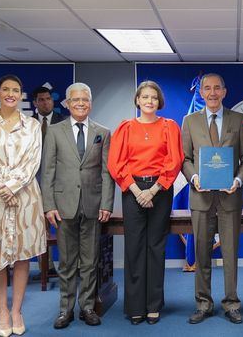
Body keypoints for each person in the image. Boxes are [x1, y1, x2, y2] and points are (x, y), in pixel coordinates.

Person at [0, 74, 46, 337]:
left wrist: (13, 187)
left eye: (15, 90)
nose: (11, 94)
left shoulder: (32, 126)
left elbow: (32, 161)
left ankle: (17, 310)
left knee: (22, 254)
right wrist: (3, 189)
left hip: (25, 197)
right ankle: (2, 311)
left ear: (21, 95)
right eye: (6, 89)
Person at [108, 81, 184, 325]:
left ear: (159, 102)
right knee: (134, 248)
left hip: (160, 190)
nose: (149, 101)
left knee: (155, 247)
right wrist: (136, 190)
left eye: (153, 97)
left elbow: (174, 160)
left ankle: (153, 305)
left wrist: (152, 190)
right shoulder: (125, 128)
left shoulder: (169, 127)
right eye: (145, 97)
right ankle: (135, 307)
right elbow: (116, 163)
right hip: (132, 190)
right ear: (137, 101)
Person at [42, 82, 115, 329]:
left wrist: (107, 203)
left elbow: (107, 171)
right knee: (66, 262)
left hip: (93, 205)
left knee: (90, 260)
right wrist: (48, 205)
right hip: (63, 206)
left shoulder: (102, 132)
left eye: (85, 99)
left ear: (90, 103)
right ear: (68, 103)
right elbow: (48, 170)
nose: (81, 103)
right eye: (76, 100)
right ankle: (65, 310)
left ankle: (87, 307)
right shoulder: (54, 131)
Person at [181, 73, 243, 324]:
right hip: (200, 198)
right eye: (207, 88)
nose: (212, 93)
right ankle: (203, 303)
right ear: (201, 93)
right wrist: (194, 177)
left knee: (230, 253)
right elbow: (185, 160)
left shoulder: (238, 120)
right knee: (202, 254)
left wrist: (238, 181)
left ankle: (231, 303)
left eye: (217, 88)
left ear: (224, 91)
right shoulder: (189, 121)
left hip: (230, 199)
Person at [32, 85, 66, 279]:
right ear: (35, 103)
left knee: (63, 227)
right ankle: (46, 267)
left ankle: (68, 265)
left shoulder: (64, 122)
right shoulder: (28, 125)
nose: (46, 102)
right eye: (41, 100)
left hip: (60, 183)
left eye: (48, 99)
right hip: (35, 183)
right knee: (40, 229)